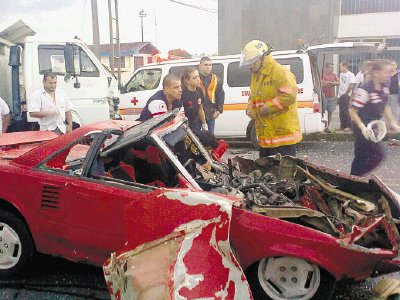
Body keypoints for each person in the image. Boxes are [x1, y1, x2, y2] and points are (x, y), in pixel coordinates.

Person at [240, 40, 301, 157]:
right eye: (249, 62)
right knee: (265, 172)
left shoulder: (279, 72)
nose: (250, 65)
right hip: (266, 136)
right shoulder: (256, 75)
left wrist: (265, 108)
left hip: (283, 138)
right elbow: (253, 96)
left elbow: (289, 96)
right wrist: (250, 108)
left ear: (263, 57)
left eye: (253, 62)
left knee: (282, 173)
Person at [349, 59, 400, 176]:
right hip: (361, 126)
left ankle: (357, 177)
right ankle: (354, 180)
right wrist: (362, 127)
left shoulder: (384, 88)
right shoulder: (365, 90)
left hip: (374, 126)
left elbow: (385, 105)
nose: (388, 75)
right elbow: (353, 111)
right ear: (376, 73)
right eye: (386, 72)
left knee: (375, 156)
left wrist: (392, 123)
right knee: (365, 155)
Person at [198, 56, 225, 133]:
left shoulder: (216, 79)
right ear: (200, 66)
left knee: (210, 138)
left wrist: (219, 111)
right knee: (196, 139)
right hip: (197, 115)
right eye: (205, 65)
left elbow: (221, 95)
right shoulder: (195, 78)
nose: (208, 67)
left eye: (210, 65)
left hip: (211, 114)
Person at [180, 67, 208, 132]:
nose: (198, 79)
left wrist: (204, 124)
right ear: (187, 80)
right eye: (194, 78)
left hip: (196, 124)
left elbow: (200, 109)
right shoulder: (183, 94)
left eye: (198, 76)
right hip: (185, 125)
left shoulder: (199, 91)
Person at [321, 63, 340, 133]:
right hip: (324, 96)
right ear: (327, 68)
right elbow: (322, 84)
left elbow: (338, 83)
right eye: (331, 67)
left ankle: (327, 127)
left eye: (333, 67)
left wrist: (329, 83)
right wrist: (332, 83)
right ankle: (323, 126)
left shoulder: (334, 75)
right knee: (323, 112)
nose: (332, 69)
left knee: (330, 112)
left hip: (332, 96)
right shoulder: (323, 75)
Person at [338, 62, 356, 131]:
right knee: (341, 111)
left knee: (346, 111)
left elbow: (351, 85)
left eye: (341, 66)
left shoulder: (350, 75)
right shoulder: (341, 74)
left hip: (346, 95)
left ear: (345, 66)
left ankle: (349, 125)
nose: (340, 68)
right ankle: (342, 125)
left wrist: (346, 93)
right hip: (340, 95)